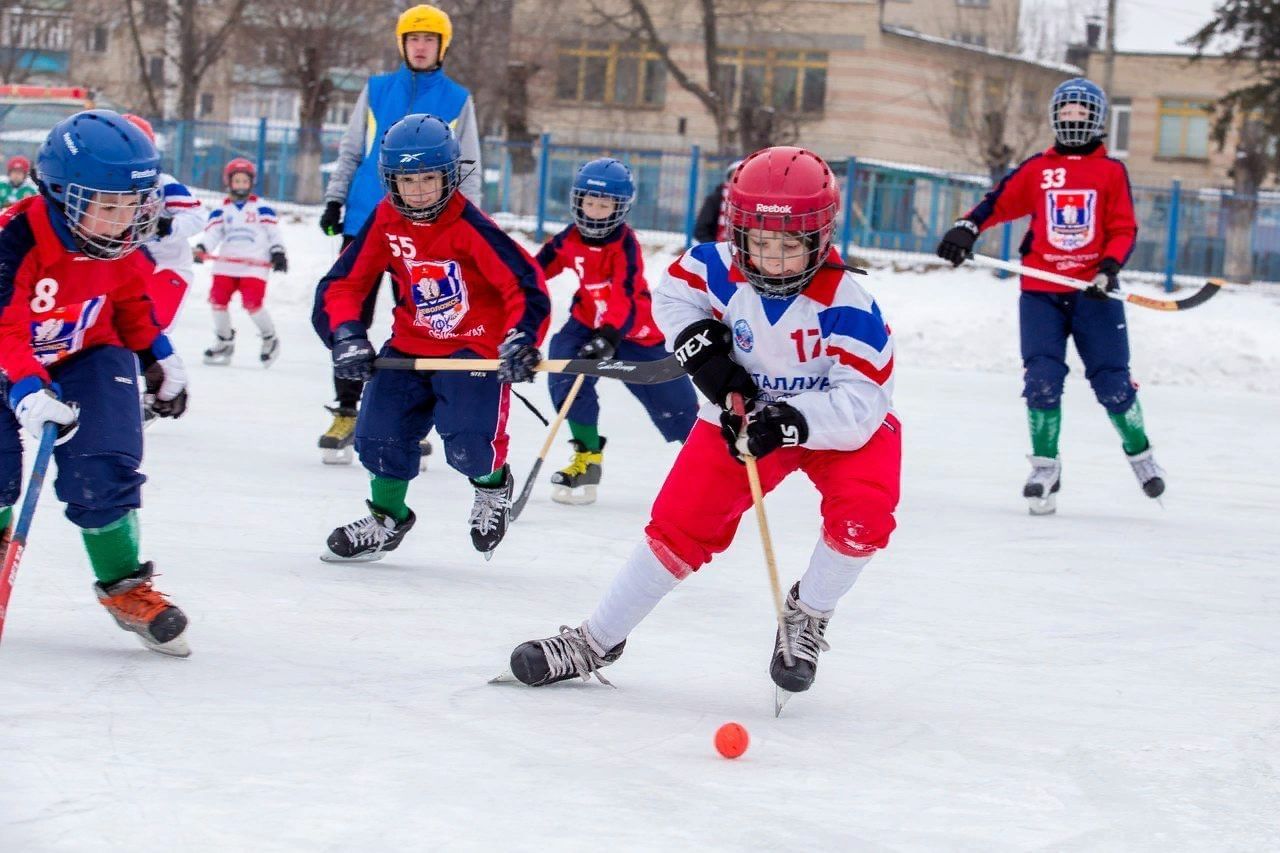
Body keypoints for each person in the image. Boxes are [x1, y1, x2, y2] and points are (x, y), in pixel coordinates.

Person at [504, 146, 900, 700]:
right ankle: (596, 639)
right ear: (737, 233)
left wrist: (790, 424)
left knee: (865, 513)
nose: (773, 260)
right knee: (678, 527)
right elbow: (672, 297)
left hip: (837, 425)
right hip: (741, 419)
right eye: (759, 244)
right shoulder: (714, 266)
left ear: (819, 239)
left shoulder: (849, 304)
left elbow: (862, 404)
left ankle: (809, 612)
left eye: (790, 246)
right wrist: (700, 349)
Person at [312, 114, 548, 560]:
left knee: (468, 441)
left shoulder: (471, 227)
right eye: (407, 180)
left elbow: (524, 285)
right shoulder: (385, 220)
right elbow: (342, 284)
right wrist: (345, 334)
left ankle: (492, 486)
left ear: (450, 176)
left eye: (428, 178)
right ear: (390, 180)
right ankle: (387, 518)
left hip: (473, 349)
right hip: (410, 346)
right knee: (379, 434)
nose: (418, 191)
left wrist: (522, 336)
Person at [0, 109, 191, 655]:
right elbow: (4, 324)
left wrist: (158, 354)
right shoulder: (16, 239)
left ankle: (126, 587)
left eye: (133, 205)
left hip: (86, 353)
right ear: (61, 194)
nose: (123, 219)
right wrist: (25, 390)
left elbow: (131, 300)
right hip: (8, 360)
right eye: (106, 206)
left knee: (104, 467)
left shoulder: (121, 243)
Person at [935, 76, 1162, 515]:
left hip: (1093, 293)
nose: (1073, 118)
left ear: (1097, 120)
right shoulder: (1039, 168)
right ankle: (1045, 468)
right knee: (1041, 380)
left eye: (1082, 112)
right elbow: (998, 202)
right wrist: (967, 227)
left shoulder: (1111, 171)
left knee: (1114, 384)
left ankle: (1141, 455)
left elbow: (1123, 228)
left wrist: (1108, 268)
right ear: (1055, 116)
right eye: (1066, 111)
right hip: (1041, 291)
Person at [316, 4, 483, 459]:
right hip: (367, 221)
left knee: (428, 320)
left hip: (430, 229)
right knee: (351, 313)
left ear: (442, 46)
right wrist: (336, 197)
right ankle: (346, 410)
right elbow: (352, 150)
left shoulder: (456, 99)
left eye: (429, 39)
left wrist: (473, 226)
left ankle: (415, 418)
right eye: (413, 39)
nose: (421, 46)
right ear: (402, 44)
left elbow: (468, 167)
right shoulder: (375, 90)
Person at [535, 158, 697, 504]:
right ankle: (587, 458)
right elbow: (534, 271)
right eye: (589, 203)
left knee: (678, 406)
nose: (595, 211)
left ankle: (708, 470)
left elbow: (625, 293)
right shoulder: (568, 238)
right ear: (577, 201)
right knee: (564, 371)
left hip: (634, 332)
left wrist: (609, 335)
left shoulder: (625, 243)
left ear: (619, 207)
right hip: (585, 323)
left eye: (604, 204)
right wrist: (510, 285)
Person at [194, 158, 286, 368]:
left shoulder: (262, 208)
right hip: (226, 265)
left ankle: (269, 338)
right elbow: (213, 234)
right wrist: (202, 249)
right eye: (237, 181)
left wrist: (278, 252)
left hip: (254, 265)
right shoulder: (221, 210)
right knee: (217, 300)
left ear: (251, 183)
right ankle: (224, 341)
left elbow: (274, 233)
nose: (241, 185)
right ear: (229, 182)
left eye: (245, 181)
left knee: (252, 303)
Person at [122, 114, 204, 333]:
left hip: (168, 267)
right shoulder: (107, 185)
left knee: (152, 329)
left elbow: (196, 217)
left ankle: (158, 366)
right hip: (126, 269)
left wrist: (168, 226)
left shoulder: (164, 184)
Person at [692, 159, 741, 244]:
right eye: (735, 176)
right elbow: (701, 230)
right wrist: (714, 248)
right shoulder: (715, 199)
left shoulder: (756, 202)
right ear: (729, 178)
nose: (738, 179)